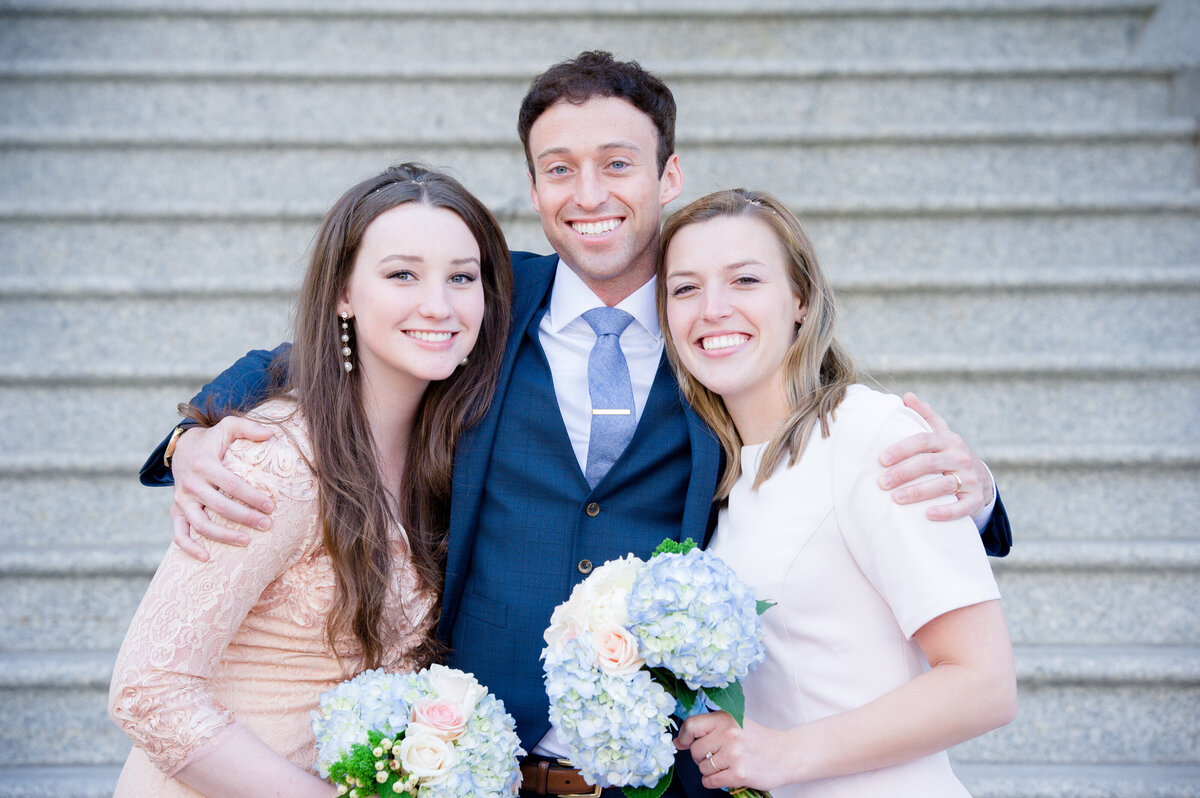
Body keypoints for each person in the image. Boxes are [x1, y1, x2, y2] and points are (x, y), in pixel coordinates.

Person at [138, 53, 1010, 797]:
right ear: (534, 186)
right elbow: (311, 355)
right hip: (473, 766)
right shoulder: (477, 303)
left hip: (660, 777)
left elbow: (829, 419)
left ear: (668, 175)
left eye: (618, 164)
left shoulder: (715, 326)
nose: (588, 193)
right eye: (559, 168)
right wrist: (196, 431)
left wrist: (977, 495)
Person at [109, 163, 514, 797]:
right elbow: (148, 690)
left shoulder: (453, 450)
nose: (438, 304)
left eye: (461, 277)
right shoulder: (274, 459)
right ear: (343, 294)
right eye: (402, 273)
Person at [660, 188, 1016, 797]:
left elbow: (984, 684)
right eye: (685, 288)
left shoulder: (869, 434)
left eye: (744, 280)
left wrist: (782, 753)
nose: (712, 308)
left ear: (800, 299)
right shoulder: (722, 475)